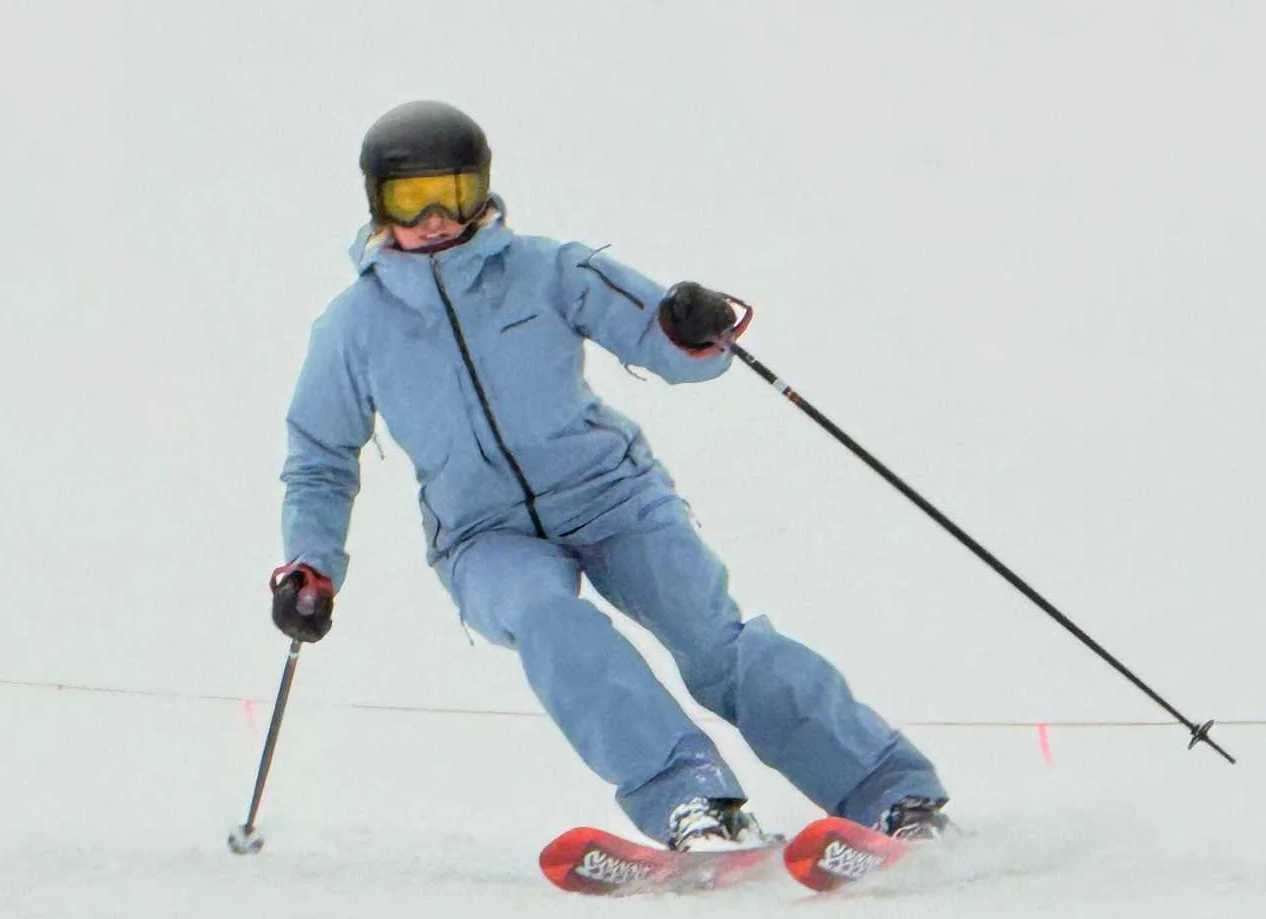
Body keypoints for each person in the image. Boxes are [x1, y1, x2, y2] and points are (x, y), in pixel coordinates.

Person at [269, 100, 950, 849]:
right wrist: (311, 564)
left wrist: (690, 325)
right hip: (482, 535)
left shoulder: (550, 271)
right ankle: (696, 802)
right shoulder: (353, 328)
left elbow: (661, 334)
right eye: (410, 199)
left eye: (453, 193)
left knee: (714, 645)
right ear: (377, 204)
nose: (433, 217)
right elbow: (320, 458)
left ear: (482, 190)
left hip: (614, 499)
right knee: (552, 624)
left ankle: (891, 793)